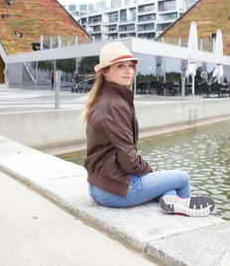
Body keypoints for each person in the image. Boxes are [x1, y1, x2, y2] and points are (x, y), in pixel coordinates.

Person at [82, 42, 215, 217]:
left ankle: (174, 202)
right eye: (120, 66)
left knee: (164, 186)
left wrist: (149, 176)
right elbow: (128, 158)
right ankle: (188, 222)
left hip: (101, 186)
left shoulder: (104, 99)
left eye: (130, 65)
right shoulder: (115, 105)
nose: (129, 71)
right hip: (115, 191)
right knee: (182, 178)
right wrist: (149, 173)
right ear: (105, 71)